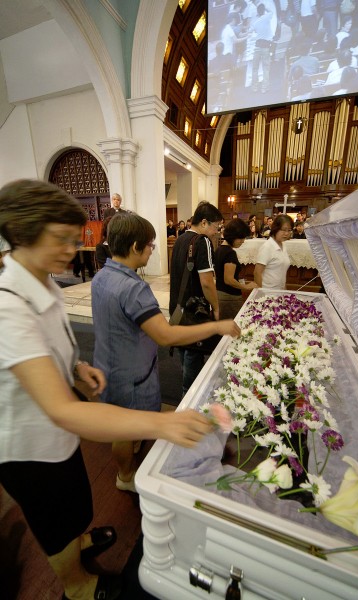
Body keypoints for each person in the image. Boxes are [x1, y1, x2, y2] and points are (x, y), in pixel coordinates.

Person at [0, 179, 216, 600]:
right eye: (61, 239)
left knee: (75, 500)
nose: (73, 248)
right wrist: (161, 424)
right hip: (28, 445)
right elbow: (63, 410)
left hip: (56, 435)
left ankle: (77, 541)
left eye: (74, 238)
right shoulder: (9, 308)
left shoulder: (43, 282)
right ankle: (76, 585)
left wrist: (77, 366)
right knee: (53, 517)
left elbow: (48, 346)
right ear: (24, 236)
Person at [92, 213, 240, 492]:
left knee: (124, 423)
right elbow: (165, 336)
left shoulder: (102, 275)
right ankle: (126, 476)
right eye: (150, 245)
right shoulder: (133, 288)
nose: (152, 250)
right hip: (130, 372)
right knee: (124, 429)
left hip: (108, 362)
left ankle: (133, 446)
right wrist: (215, 326)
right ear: (135, 246)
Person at [169, 201, 223, 396]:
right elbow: (207, 282)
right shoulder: (202, 241)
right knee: (193, 371)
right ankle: (190, 404)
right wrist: (216, 307)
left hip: (178, 308)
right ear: (204, 222)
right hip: (194, 312)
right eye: (216, 227)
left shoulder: (180, 239)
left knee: (184, 355)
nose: (217, 232)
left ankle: (186, 397)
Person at [214, 219, 258, 319]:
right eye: (241, 238)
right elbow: (228, 280)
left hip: (220, 294)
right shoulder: (230, 253)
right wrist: (246, 287)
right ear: (232, 236)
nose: (243, 241)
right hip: (229, 297)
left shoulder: (219, 249)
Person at [253, 214, 294, 289]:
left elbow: (281, 272)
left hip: (279, 291)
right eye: (283, 230)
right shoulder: (267, 246)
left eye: (289, 230)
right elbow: (257, 273)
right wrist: (261, 292)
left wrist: (284, 290)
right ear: (275, 229)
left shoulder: (283, 245)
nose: (286, 233)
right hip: (267, 291)